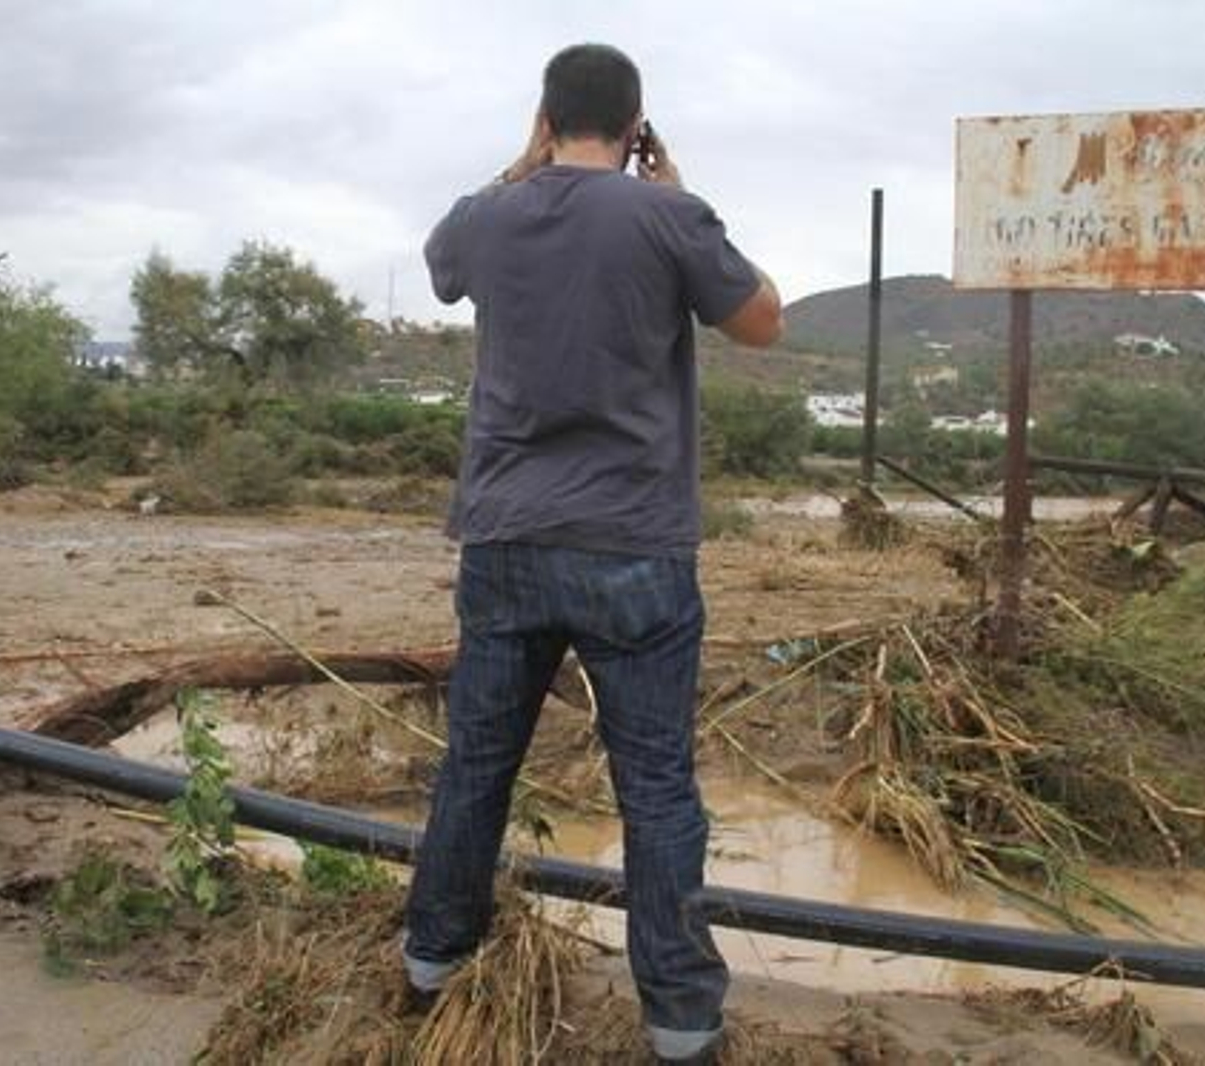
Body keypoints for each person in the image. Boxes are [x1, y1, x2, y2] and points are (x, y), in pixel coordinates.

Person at [403, 42, 782, 1064]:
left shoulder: (488, 216)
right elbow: (763, 322)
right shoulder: (668, 217)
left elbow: (442, 267)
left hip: (506, 540)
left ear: (542, 116)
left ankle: (432, 964)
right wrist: (682, 196)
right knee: (656, 788)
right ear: (636, 122)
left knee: (476, 763)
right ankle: (679, 1021)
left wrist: (518, 168)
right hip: (634, 551)